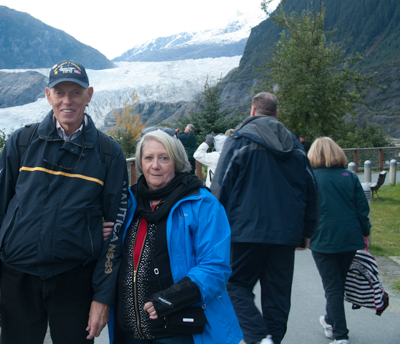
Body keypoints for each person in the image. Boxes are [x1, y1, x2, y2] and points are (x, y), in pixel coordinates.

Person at [0, 60, 129, 344]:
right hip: (18, 275)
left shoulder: (109, 153)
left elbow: (116, 230)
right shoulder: (22, 142)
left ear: (89, 95)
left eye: (75, 92)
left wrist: (102, 296)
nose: (67, 101)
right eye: (60, 93)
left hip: (75, 279)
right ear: (48, 95)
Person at [109, 126, 243, 344]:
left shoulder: (202, 203)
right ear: (140, 162)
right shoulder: (129, 202)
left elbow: (215, 265)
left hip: (178, 328)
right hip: (131, 330)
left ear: (177, 161)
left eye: (164, 158)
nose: (155, 165)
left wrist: (173, 297)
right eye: (149, 157)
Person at [211, 92, 318, 344]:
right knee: (278, 295)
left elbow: (221, 185)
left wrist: (214, 229)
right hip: (285, 233)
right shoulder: (295, 146)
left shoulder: (239, 140)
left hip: (245, 230)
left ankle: (258, 338)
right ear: (277, 114)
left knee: (233, 286)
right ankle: (272, 340)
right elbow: (311, 189)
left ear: (252, 111)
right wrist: (306, 231)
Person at [308, 137, 371, 344]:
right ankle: (328, 319)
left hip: (323, 238)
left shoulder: (310, 178)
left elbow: (303, 209)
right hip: (349, 237)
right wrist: (365, 231)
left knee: (333, 286)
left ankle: (340, 334)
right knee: (338, 283)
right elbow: (362, 209)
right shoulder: (350, 177)